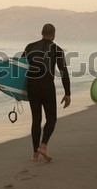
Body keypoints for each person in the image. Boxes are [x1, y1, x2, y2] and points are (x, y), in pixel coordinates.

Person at [22, 24, 71, 162]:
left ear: (41, 32)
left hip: (32, 87)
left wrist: (19, 92)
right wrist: (67, 93)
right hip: (47, 87)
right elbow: (63, 72)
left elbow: (21, 67)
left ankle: (35, 154)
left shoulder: (30, 46)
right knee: (51, 119)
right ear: (54, 34)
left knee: (36, 120)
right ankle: (43, 146)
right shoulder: (57, 49)